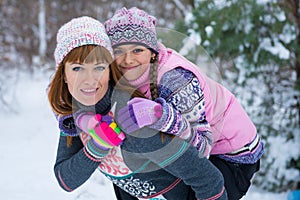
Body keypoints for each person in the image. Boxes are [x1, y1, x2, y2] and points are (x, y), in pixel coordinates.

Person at [48, 16, 227, 200]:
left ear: (110, 71)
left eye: (99, 67)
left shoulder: (131, 120)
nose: (89, 79)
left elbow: (209, 179)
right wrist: (97, 147)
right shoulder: (75, 114)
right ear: (64, 74)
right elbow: (66, 180)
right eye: (77, 68)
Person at [104, 7, 264, 200]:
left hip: (231, 157)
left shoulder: (175, 80)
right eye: (119, 50)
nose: (127, 59)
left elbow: (202, 148)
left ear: (152, 52)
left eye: (137, 49)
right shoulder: (122, 73)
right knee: (130, 175)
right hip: (194, 146)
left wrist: (161, 116)